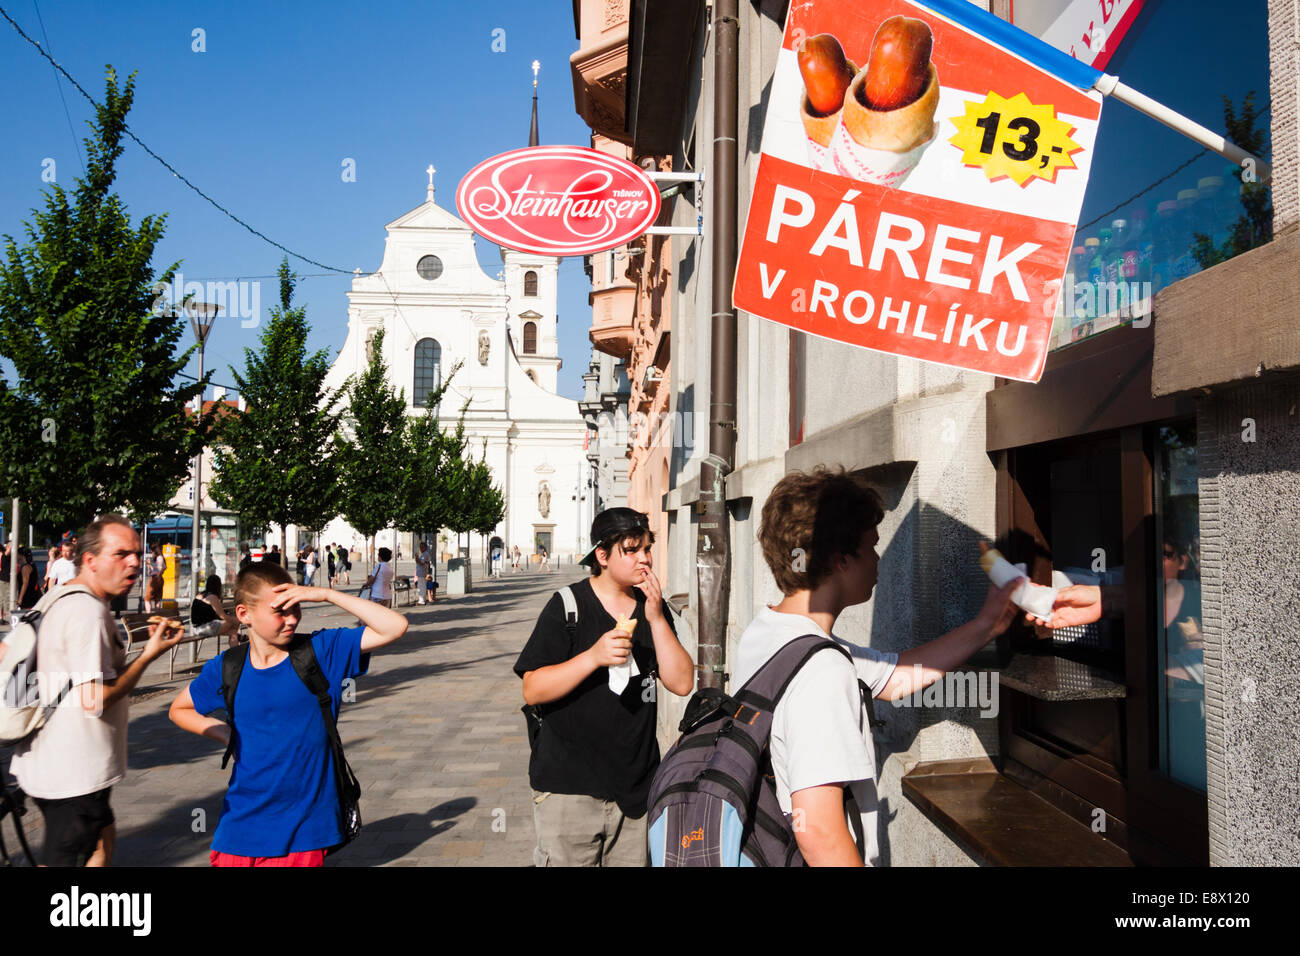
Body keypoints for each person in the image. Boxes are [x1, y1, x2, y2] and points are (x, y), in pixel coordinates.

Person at [735, 467, 1019, 866]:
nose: (878, 558)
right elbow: (818, 830)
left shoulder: (772, 631)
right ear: (840, 561)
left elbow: (893, 677)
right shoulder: (821, 671)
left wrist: (988, 623)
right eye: (871, 546)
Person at [168, 561, 409, 866]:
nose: (292, 618)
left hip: (303, 830)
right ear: (244, 614)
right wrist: (225, 733)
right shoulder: (227, 667)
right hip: (239, 826)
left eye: (296, 607)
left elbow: (395, 626)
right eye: (280, 611)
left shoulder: (321, 651)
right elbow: (179, 709)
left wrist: (324, 594)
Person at [514, 507, 694, 866]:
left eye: (647, 548)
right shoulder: (567, 606)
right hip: (569, 788)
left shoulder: (650, 608)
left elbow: (682, 681)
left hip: (636, 791)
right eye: (632, 549)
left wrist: (657, 618)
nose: (644, 559)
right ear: (603, 556)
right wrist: (593, 657)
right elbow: (532, 688)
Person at [9, 515, 186, 866]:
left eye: (136, 553)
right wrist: (149, 655)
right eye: (121, 554)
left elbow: (8, 653)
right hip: (72, 769)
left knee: (101, 842)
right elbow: (96, 699)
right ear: (90, 560)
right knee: (67, 856)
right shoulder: (86, 611)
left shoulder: (58, 596)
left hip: (52, 759)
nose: (134, 561)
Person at [192, 574, 241, 649]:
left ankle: (235, 651)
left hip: (197, 628)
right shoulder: (212, 597)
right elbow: (222, 616)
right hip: (204, 628)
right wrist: (236, 620)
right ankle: (237, 648)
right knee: (232, 623)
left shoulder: (201, 594)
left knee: (233, 633)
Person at [414, 541, 432, 605]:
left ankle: (421, 601)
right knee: (422, 586)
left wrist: (416, 557)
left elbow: (421, 563)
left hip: (422, 572)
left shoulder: (425, 554)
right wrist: (417, 558)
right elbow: (419, 562)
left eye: (422, 547)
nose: (421, 548)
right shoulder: (423, 554)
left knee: (421, 587)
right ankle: (423, 599)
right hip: (421, 572)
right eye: (420, 547)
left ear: (425, 548)